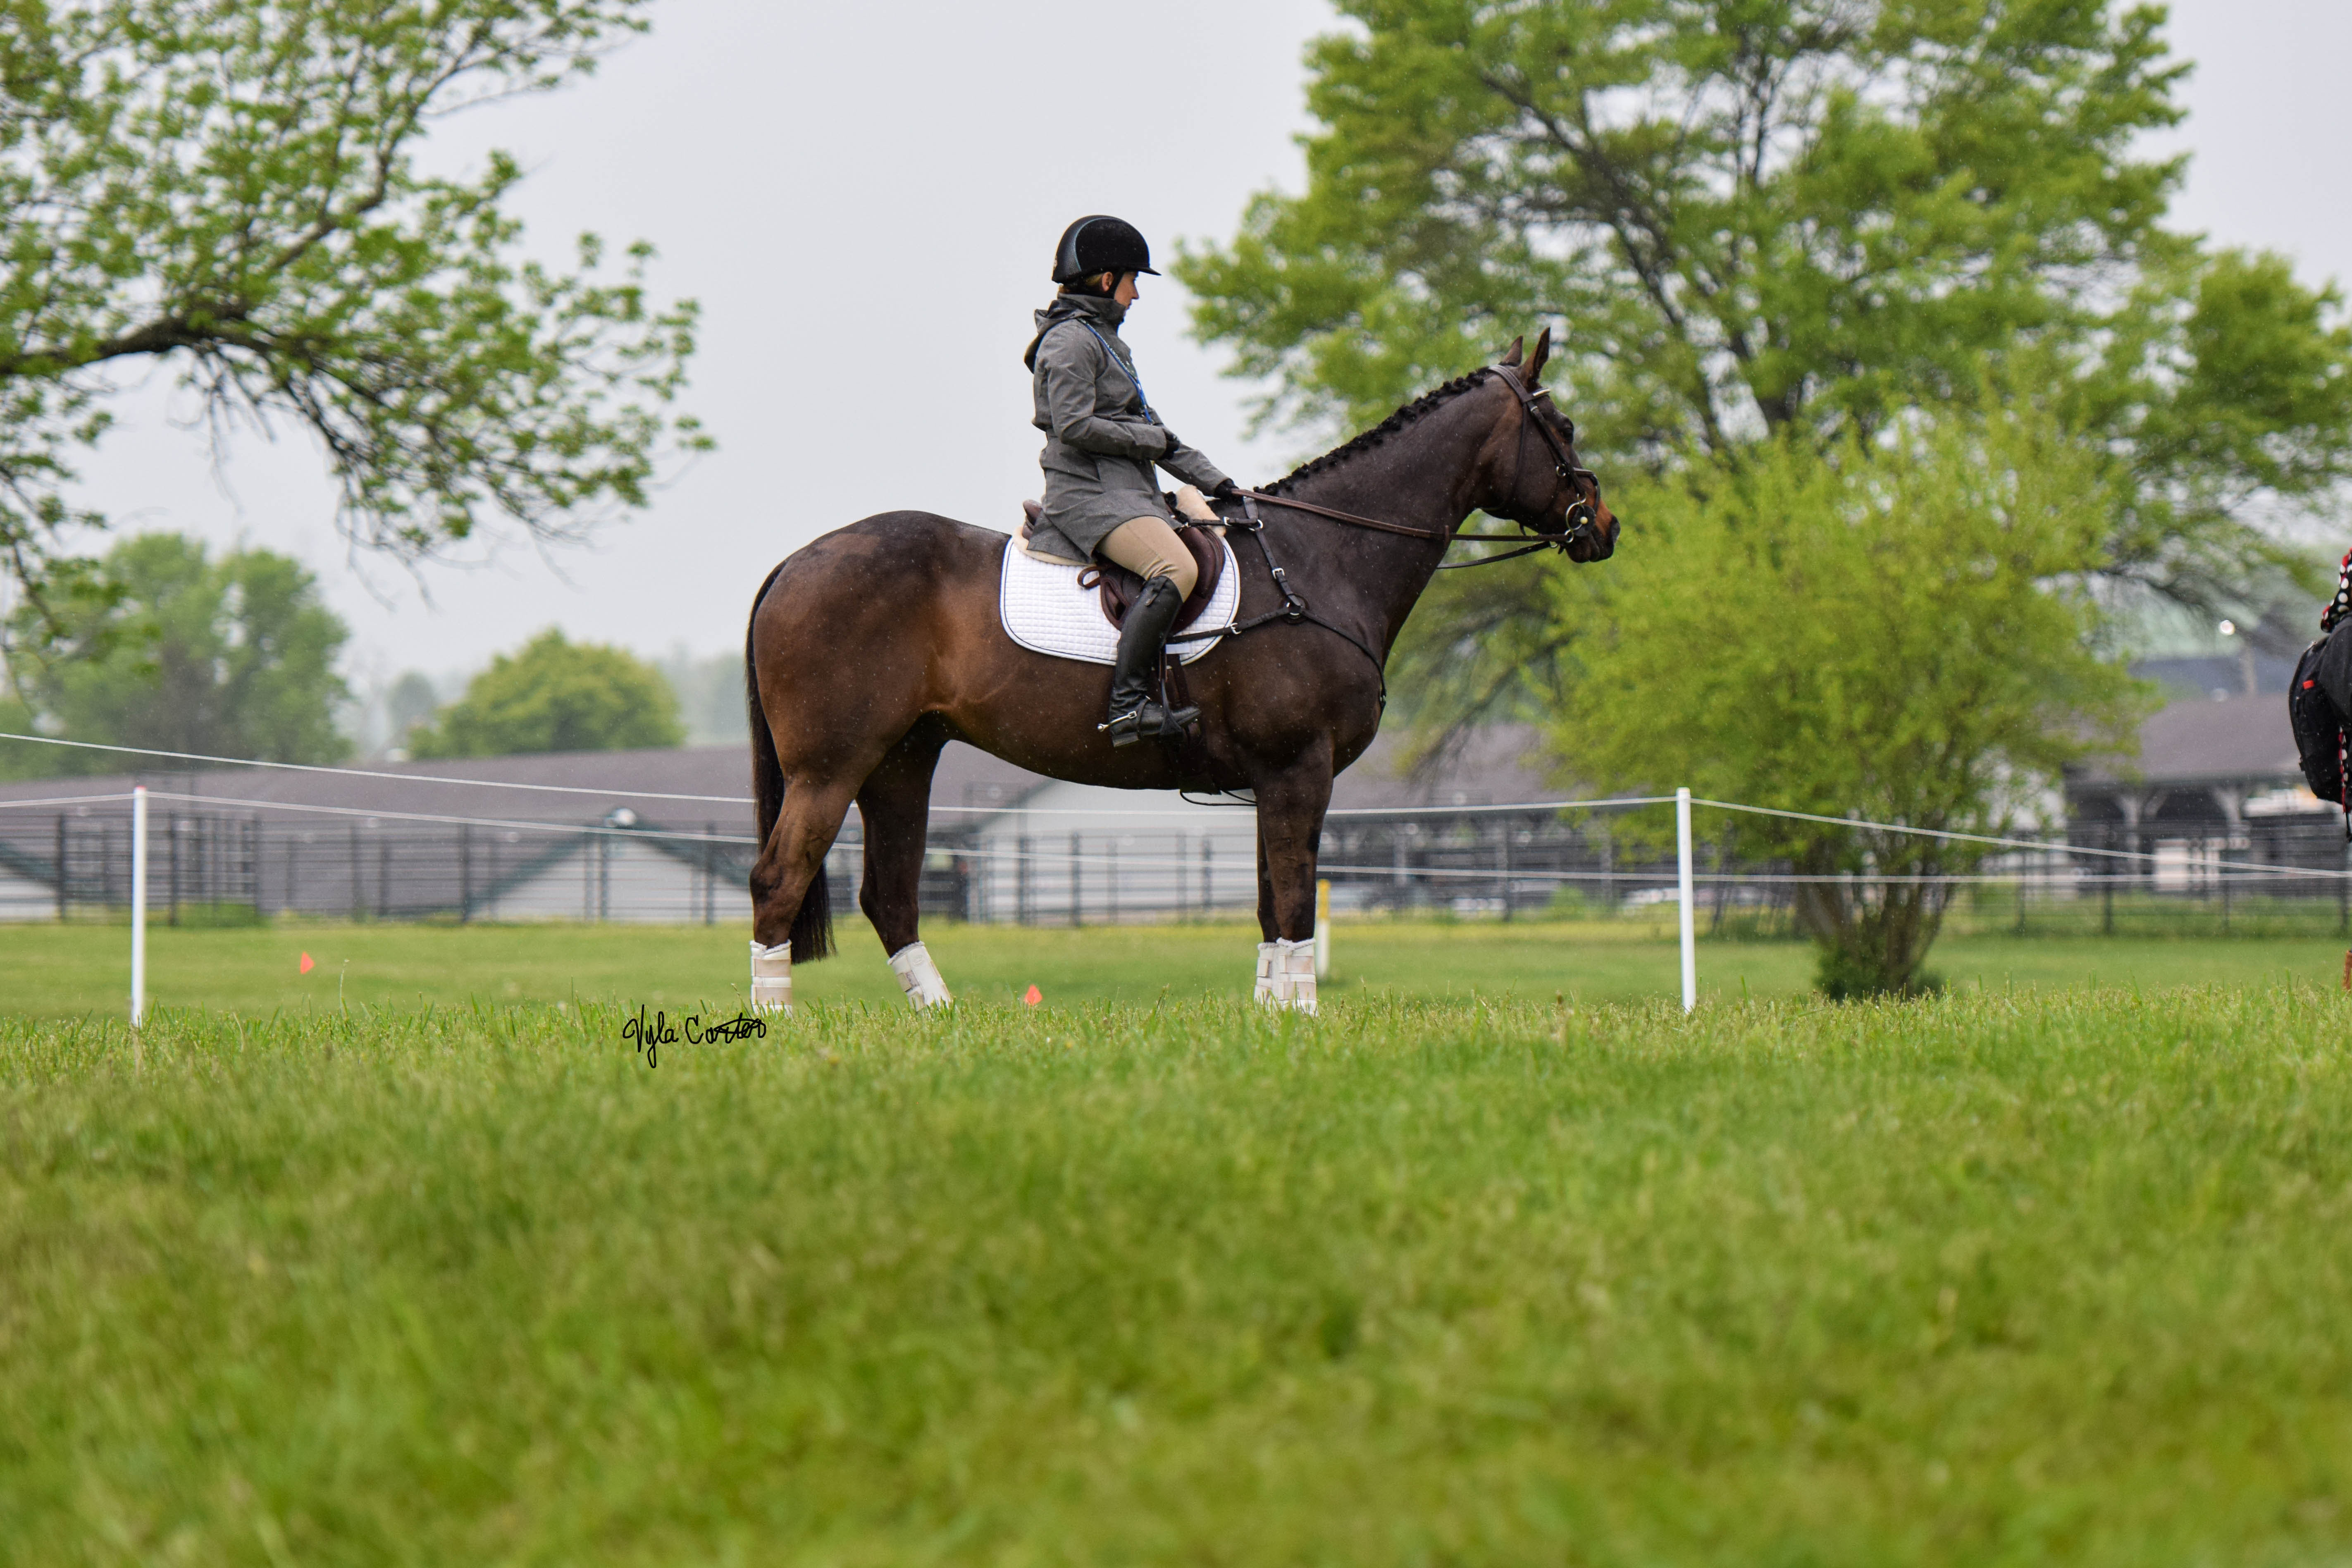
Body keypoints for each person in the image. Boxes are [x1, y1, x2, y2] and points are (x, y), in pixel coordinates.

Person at [1023, 214, 1241, 746]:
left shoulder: (1103, 343)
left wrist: (1221, 484)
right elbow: (1075, 426)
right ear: (1105, 280)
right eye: (1132, 281)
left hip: (1124, 492)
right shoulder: (1069, 342)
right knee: (1175, 567)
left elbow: (1156, 433)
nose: (1136, 294)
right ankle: (1126, 708)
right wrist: (1148, 442)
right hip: (1088, 496)